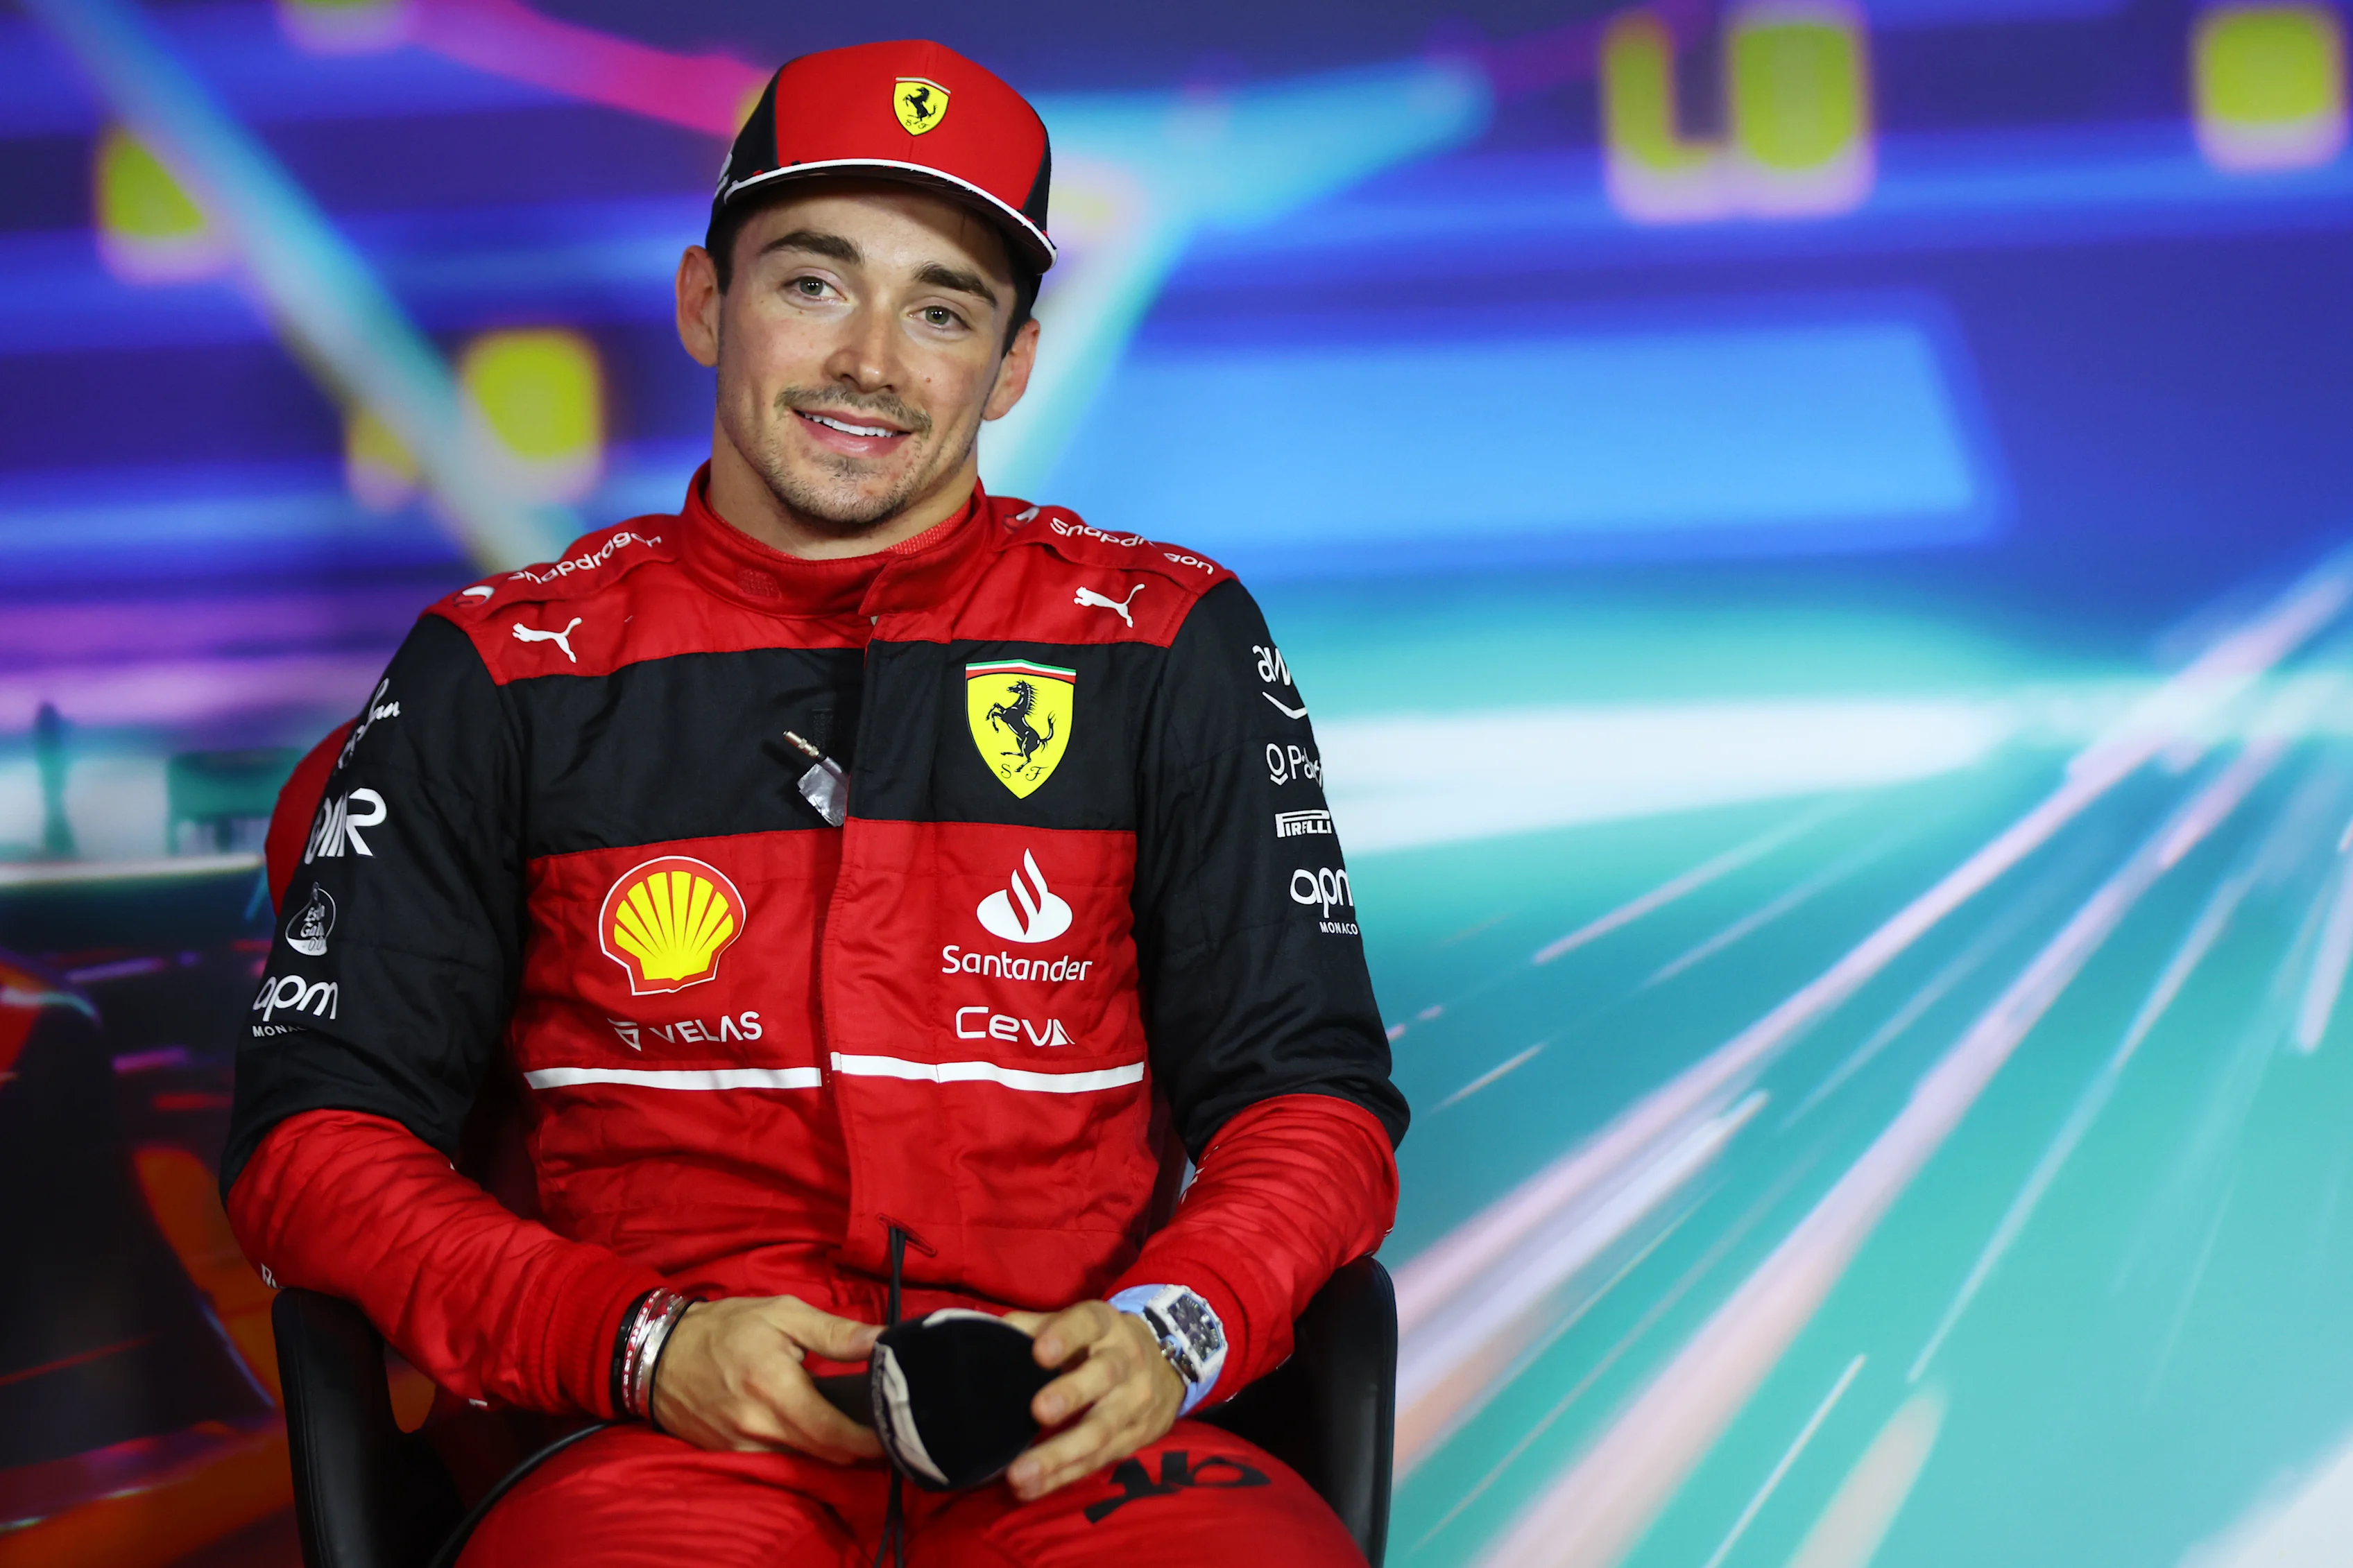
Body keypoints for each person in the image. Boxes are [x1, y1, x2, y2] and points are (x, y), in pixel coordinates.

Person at [225, 37, 1405, 1568]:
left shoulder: (1167, 642)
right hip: (654, 1441)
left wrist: (1172, 1325)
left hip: (1082, 1452)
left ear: (1013, 363)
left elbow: (1309, 1097)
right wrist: (640, 1341)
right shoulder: (500, 669)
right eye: (813, 281)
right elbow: (313, 1137)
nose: (871, 362)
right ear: (707, 301)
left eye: (942, 308)